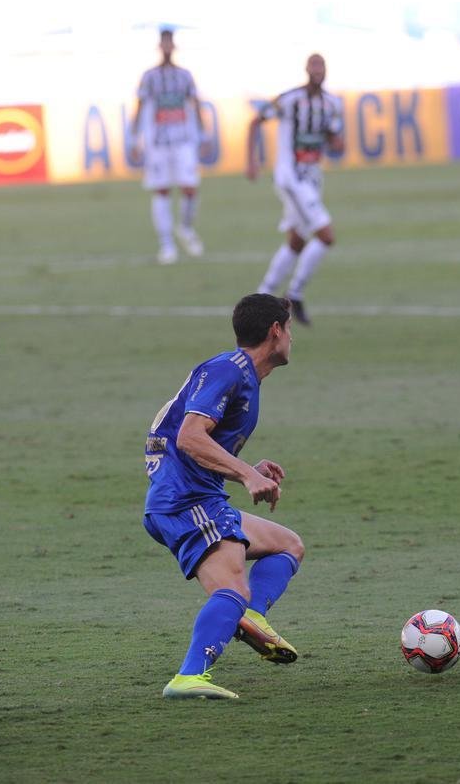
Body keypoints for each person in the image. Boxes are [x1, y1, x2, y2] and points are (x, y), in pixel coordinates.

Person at [143, 293, 306, 700]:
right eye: (289, 328)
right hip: (185, 502)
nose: (292, 337)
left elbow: (196, 444)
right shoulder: (227, 370)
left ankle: (250, 617)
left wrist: (247, 467)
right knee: (232, 588)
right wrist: (247, 475)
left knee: (287, 545)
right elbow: (189, 437)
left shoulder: (242, 376)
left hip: (197, 496)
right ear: (275, 330)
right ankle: (189, 676)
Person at [247, 54, 345, 326]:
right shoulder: (290, 99)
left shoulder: (331, 103)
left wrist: (336, 142)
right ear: (306, 69)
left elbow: (335, 138)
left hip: (312, 179)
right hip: (291, 178)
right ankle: (295, 294)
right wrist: (251, 161)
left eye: (322, 65)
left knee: (296, 242)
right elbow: (255, 121)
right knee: (326, 236)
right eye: (314, 65)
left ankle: (261, 297)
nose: (318, 70)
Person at [128, 28, 210, 265]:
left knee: (190, 188)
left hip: (183, 141)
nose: (166, 47)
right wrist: (134, 139)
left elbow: (195, 104)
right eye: (163, 43)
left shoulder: (185, 75)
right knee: (161, 190)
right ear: (159, 46)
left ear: (174, 46)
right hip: (158, 144)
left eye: (169, 43)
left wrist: (203, 136)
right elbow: (139, 107)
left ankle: (185, 227)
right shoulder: (149, 76)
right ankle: (166, 245)